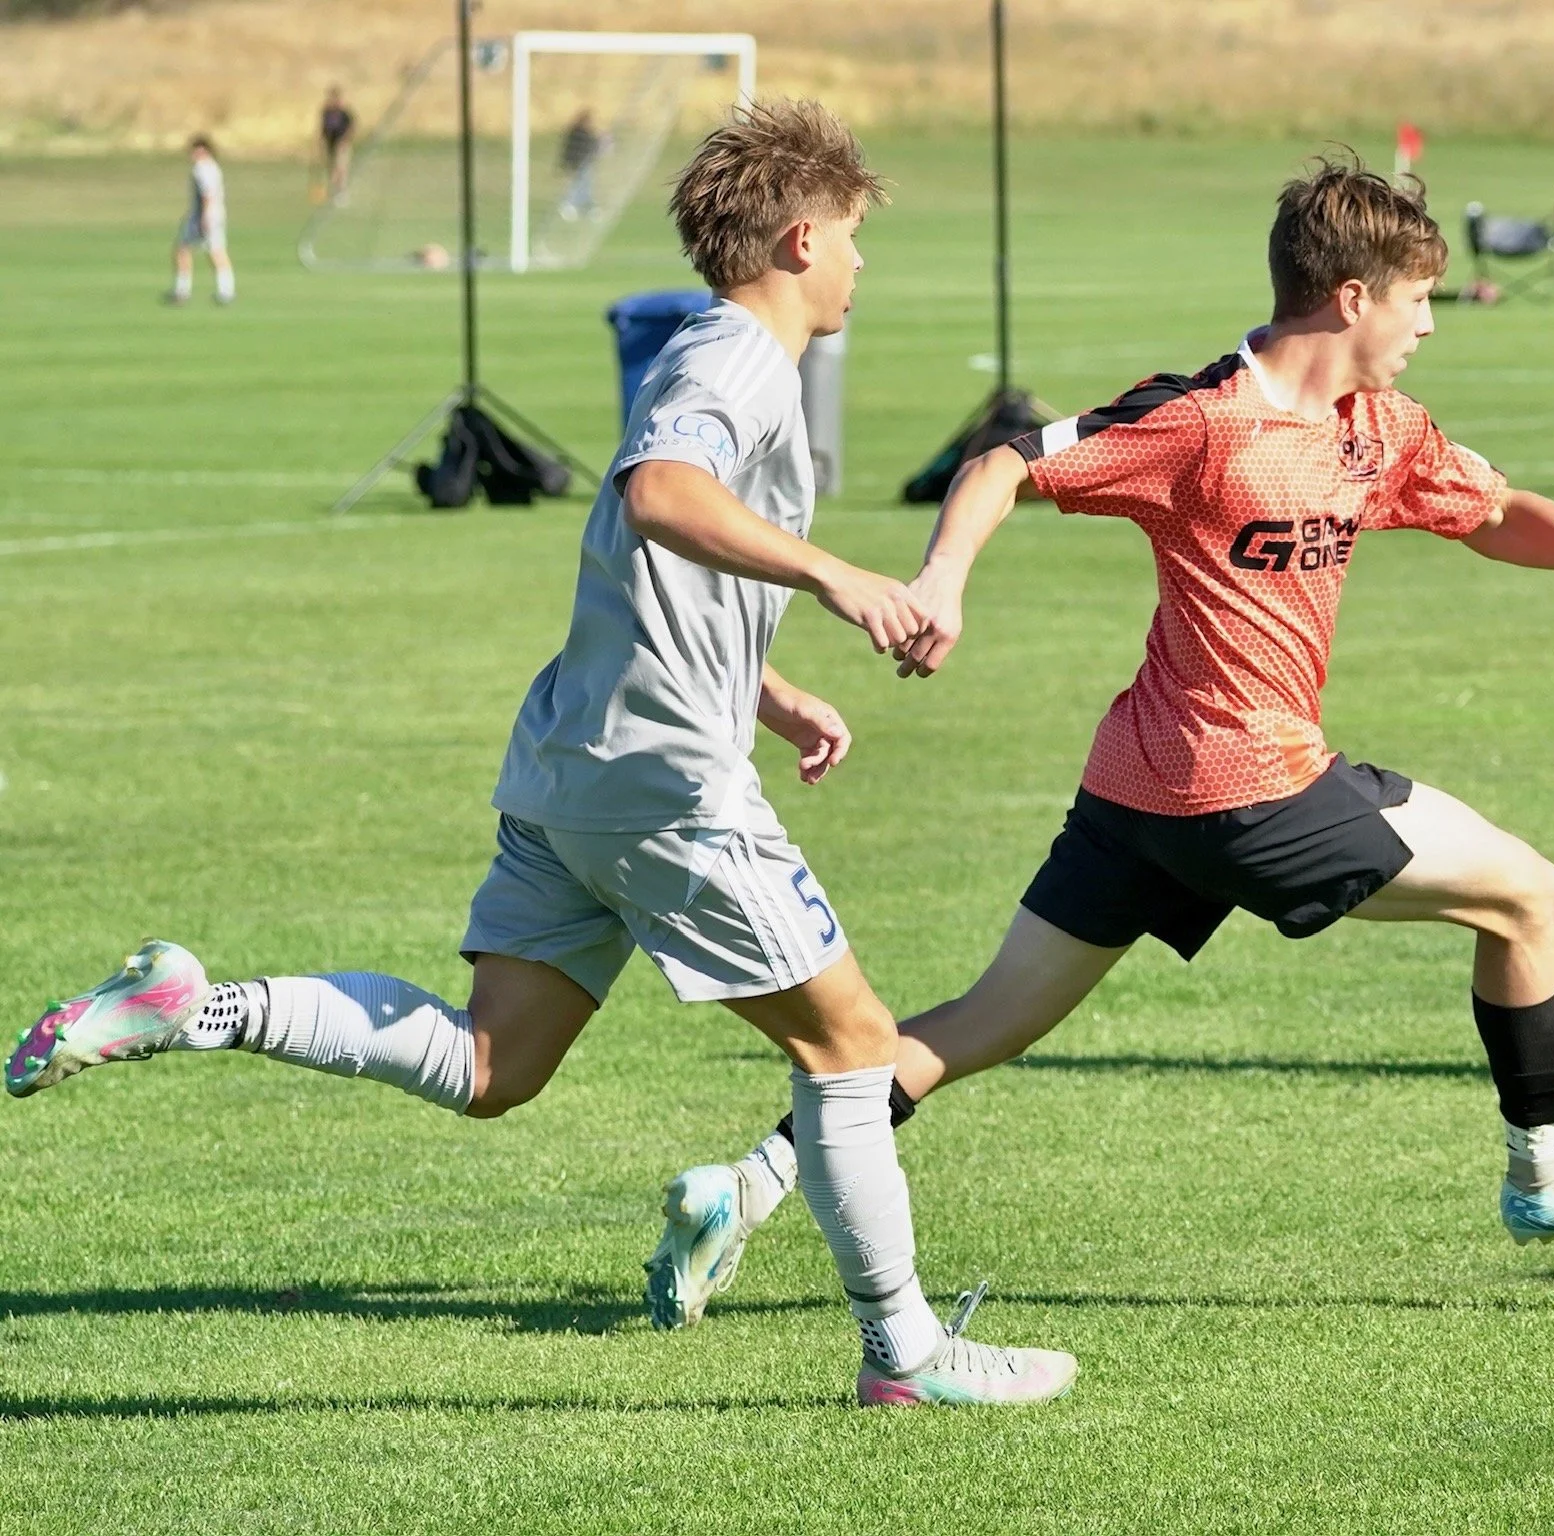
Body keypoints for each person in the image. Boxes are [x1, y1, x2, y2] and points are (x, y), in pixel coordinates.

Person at [11, 100, 1075, 1411]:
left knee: (489, 1066)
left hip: (575, 759)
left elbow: (658, 581)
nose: (863, 265)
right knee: (852, 1049)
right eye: (855, 238)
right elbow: (658, 499)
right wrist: (842, 578)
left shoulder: (716, 353)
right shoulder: (738, 359)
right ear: (802, 238)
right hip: (660, 785)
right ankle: (903, 1358)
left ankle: (198, 1006)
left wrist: (773, 690)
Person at [642, 154, 1554, 1336]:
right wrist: (942, 579)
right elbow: (1002, 459)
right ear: (1351, 297)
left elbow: (1501, 518)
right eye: (1416, 300)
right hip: (1246, 789)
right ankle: (1544, 1176)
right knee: (1527, 896)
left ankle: (743, 1188)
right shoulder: (1198, 421)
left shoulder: (1379, 430)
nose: (1424, 326)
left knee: (973, 1027)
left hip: (1135, 794)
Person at [168, 136, 235, 307]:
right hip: (216, 215)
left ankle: (182, 290)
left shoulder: (202, 169)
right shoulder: (213, 167)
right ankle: (226, 290)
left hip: (204, 216)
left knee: (183, 250)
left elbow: (207, 195)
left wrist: (204, 217)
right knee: (216, 251)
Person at [559, 109, 606, 221]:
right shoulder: (579, 132)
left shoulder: (580, 132)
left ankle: (587, 206)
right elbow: (576, 147)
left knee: (585, 184)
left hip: (584, 162)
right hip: (579, 162)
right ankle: (570, 205)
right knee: (580, 184)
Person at [319, 86, 356, 203]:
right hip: (330, 144)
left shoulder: (344, 113)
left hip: (342, 145)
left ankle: (342, 192)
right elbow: (323, 128)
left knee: (342, 168)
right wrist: (321, 140)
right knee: (332, 169)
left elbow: (351, 127)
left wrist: (345, 140)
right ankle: (334, 192)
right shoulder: (326, 112)